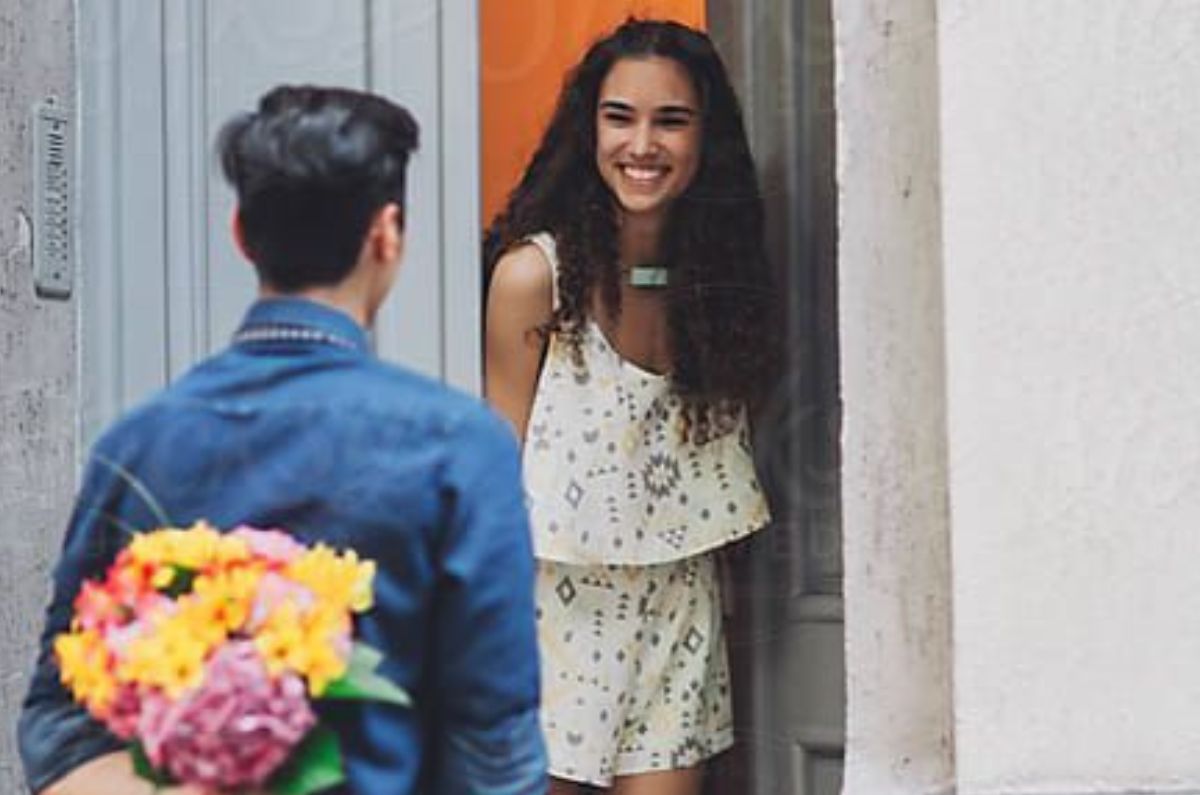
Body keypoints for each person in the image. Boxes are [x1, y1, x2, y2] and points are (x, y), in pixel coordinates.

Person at [19, 85, 546, 795]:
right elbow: (494, 750)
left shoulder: (138, 444)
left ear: (240, 232)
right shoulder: (461, 446)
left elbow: (59, 723)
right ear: (387, 235)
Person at [484, 19, 779, 795]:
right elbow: (493, 472)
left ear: (704, 138)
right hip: (551, 617)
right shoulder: (532, 280)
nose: (641, 144)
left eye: (670, 120)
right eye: (620, 117)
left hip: (677, 609)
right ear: (589, 129)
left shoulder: (720, 283)